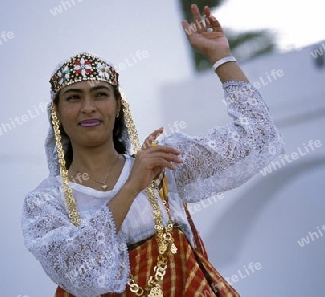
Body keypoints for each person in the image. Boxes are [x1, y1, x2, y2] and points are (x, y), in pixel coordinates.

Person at [21, 4, 285, 297]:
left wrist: (221, 56)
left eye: (100, 94)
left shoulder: (162, 165)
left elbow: (257, 137)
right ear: (56, 113)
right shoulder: (44, 203)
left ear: (118, 105)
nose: (88, 107)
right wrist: (133, 184)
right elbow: (80, 272)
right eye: (73, 97)